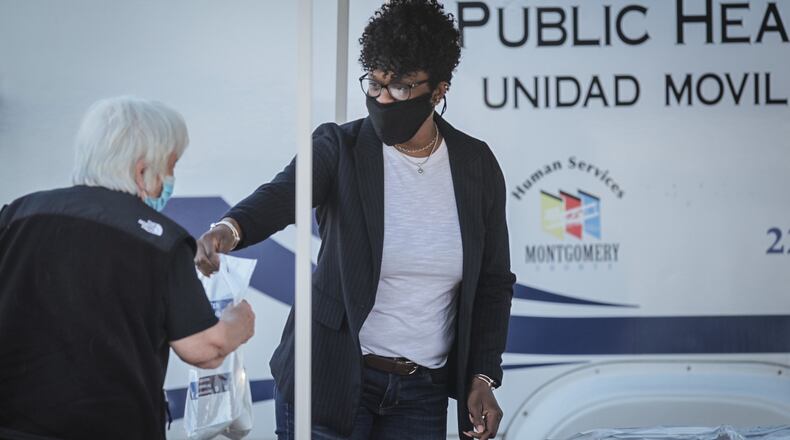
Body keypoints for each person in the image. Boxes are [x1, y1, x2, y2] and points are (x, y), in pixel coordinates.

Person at [195, 1, 515, 439]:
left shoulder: (475, 165)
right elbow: (281, 195)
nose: (383, 98)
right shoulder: (339, 147)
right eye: (375, 82)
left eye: (401, 88)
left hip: (422, 390)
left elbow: (494, 281)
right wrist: (229, 230)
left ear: (439, 89)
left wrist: (482, 375)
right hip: (330, 377)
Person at [0, 96, 256, 440]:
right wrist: (238, 322)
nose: (170, 178)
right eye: (170, 165)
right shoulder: (162, 241)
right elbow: (206, 350)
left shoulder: (17, 214)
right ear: (141, 171)